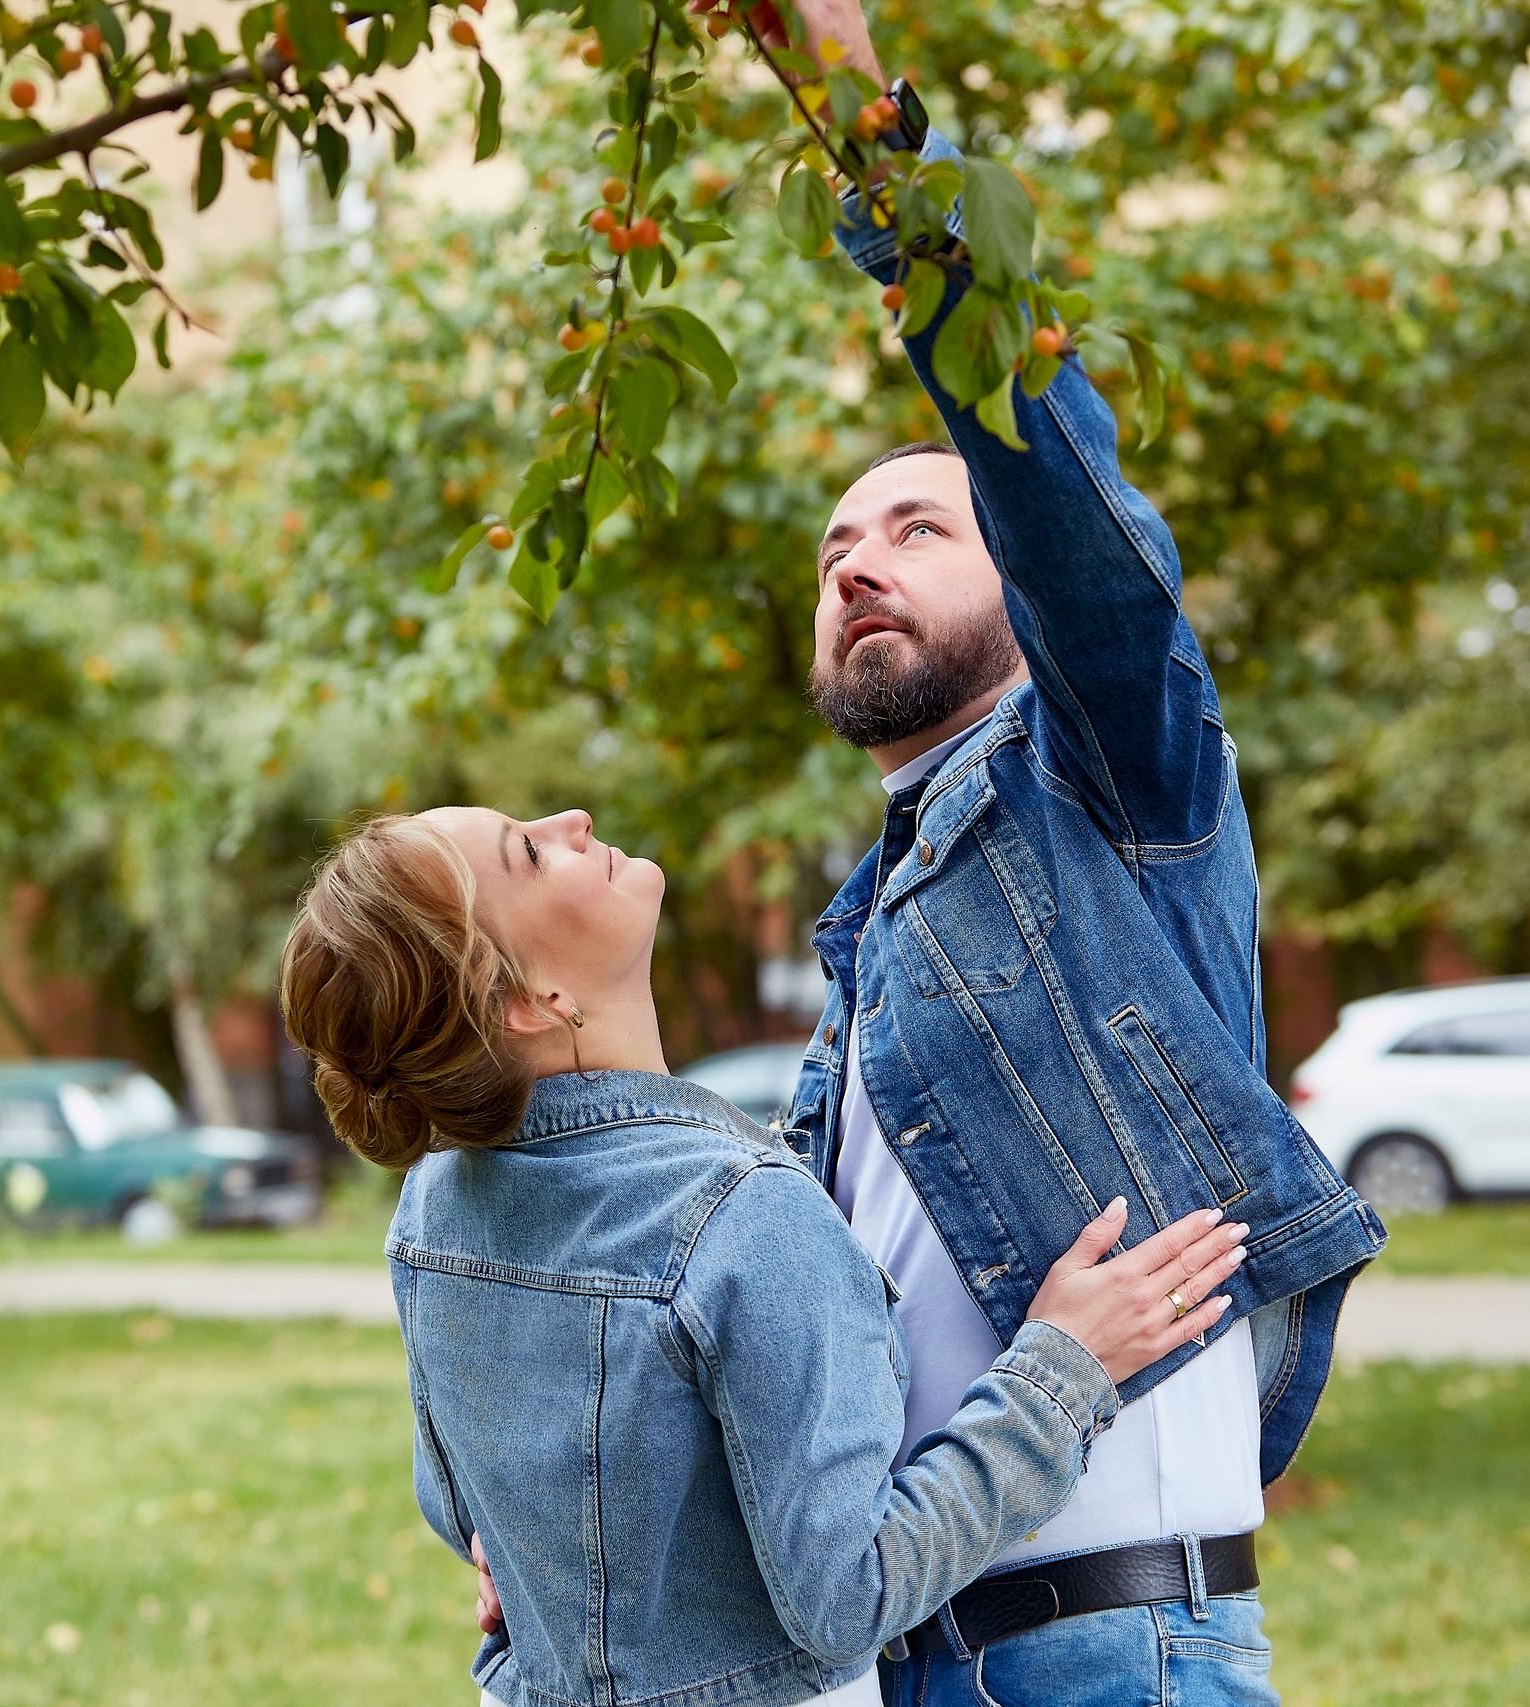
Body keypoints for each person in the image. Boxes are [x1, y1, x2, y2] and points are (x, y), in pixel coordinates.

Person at [768, 4, 1391, 1702]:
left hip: (1116, 1651)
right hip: (902, 1650)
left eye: (918, 526)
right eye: (834, 549)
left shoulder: (1113, 778)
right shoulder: (875, 925)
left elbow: (1055, 490)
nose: (857, 564)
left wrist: (876, 148)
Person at [278, 809, 1256, 1707]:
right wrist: (1063, 1369)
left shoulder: (435, 1207)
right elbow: (849, 1595)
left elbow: (454, 1505)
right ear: (534, 999)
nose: (569, 820)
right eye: (528, 854)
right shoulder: (741, 1214)